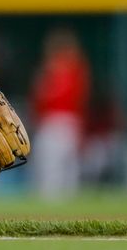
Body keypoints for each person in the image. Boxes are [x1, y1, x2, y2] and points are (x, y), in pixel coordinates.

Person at [29, 28, 91, 198]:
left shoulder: (72, 71)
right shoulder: (55, 71)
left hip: (62, 121)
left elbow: (47, 98)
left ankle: (58, 203)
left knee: (59, 167)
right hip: (55, 122)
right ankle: (53, 201)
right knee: (52, 166)